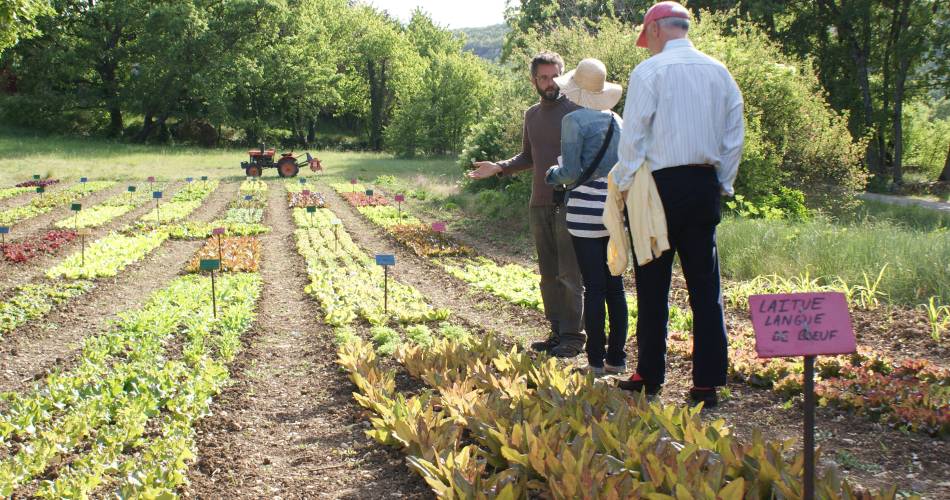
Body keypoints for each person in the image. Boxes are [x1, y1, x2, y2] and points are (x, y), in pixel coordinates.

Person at [611, 1, 744, 408]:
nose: (646, 47)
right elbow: (733, 134)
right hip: (704, 182)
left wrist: (623, 181)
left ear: (654, 30)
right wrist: (722, 182)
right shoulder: (719, 72)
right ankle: (706, 383)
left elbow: (633, 136)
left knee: (653, 282)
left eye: (645, 40)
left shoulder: (650, 71)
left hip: (659, 188)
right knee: (706, 287)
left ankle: (649, 374)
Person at [468, 52, 585, 358]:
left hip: (571, 201)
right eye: (543, 77)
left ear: (564, 75)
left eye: (554, 76)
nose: (550, 83)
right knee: (547, 274)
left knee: (569, 273)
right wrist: (500, 167)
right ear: (533, 80)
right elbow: (528, 157)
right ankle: (557, 331)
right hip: (540, 202)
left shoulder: (577, 110)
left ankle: (574, 336)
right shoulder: (531, 115)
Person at [544, 58, 627, 376]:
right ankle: (617, 359)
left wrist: (552, 173)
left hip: (583, 211)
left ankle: (594, 360)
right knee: (615, 286)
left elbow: (570, 172)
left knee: (593, 287)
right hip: (612, 210)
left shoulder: (574, 122)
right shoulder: (616, 120)